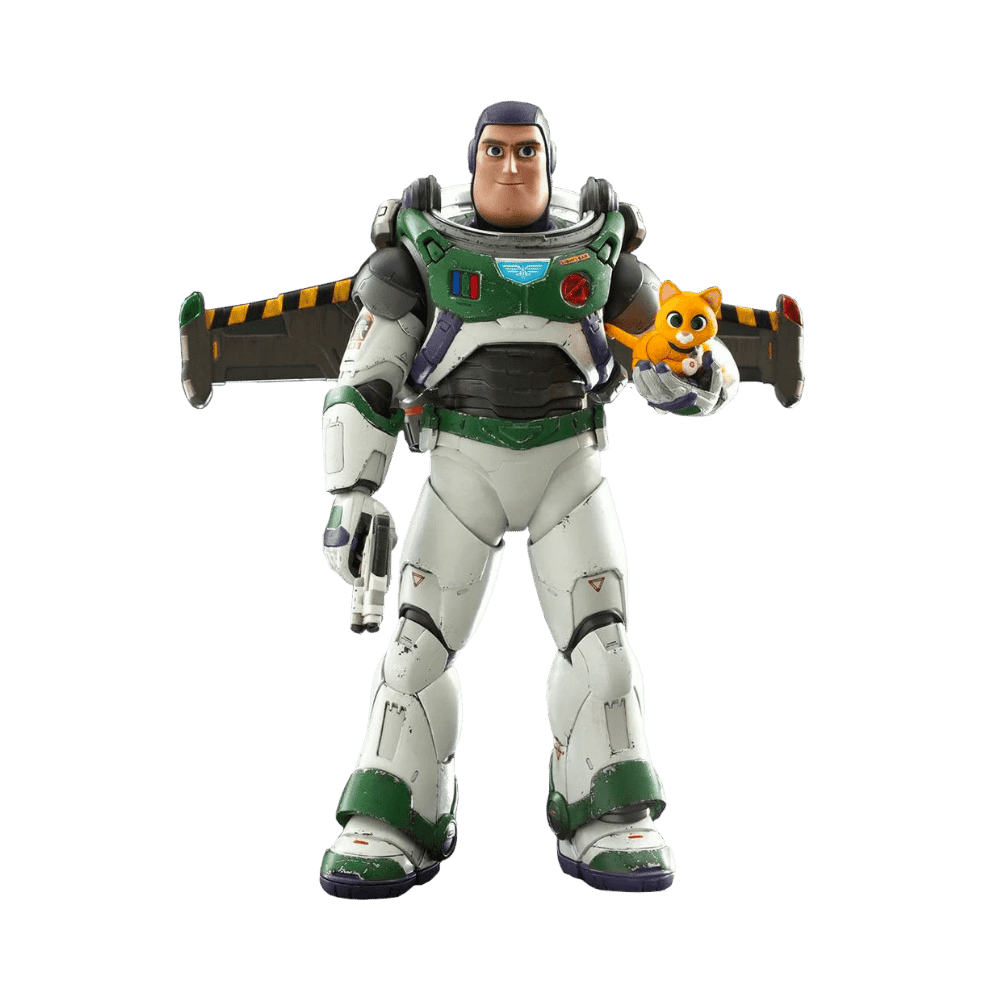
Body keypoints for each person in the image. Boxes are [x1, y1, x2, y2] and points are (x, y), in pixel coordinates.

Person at [318, 101, 738, 899]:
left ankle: (605, 808)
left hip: (567, 470)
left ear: (549, 161)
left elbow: (678, 349)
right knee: (415, 647)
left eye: (526, 152)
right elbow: (366, 378)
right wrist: (354, 491)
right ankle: (399, 812)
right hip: (460, 470)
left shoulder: (603, 256)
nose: (511, 168)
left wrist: (695, 373)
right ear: (472, 160)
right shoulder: (420, 253)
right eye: (495, 151)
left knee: (602, 645)